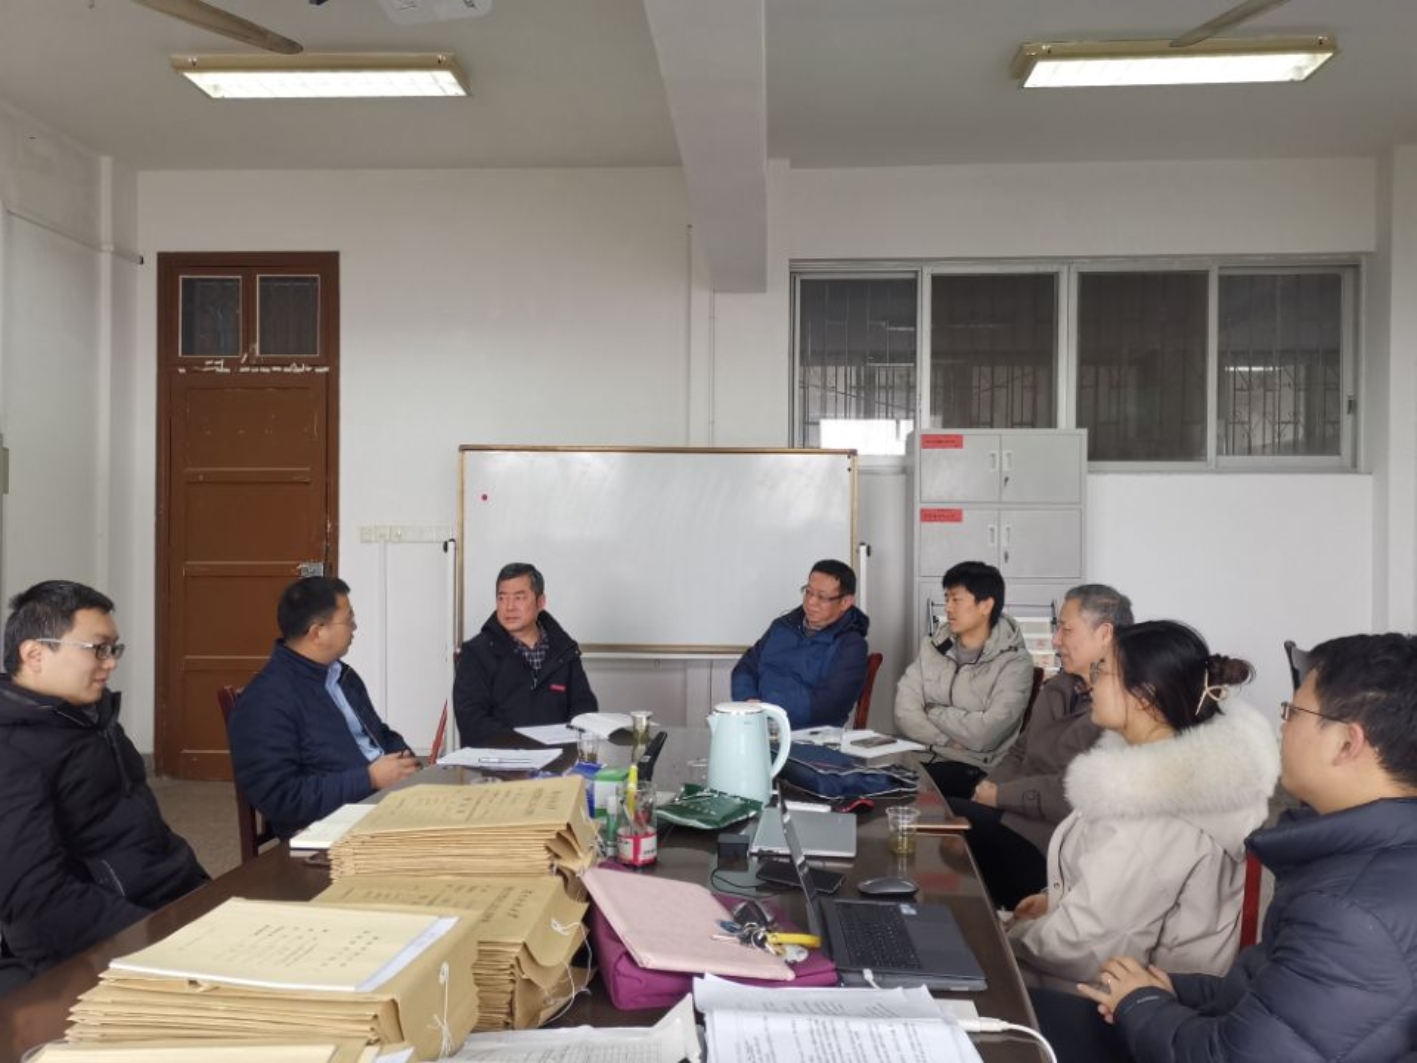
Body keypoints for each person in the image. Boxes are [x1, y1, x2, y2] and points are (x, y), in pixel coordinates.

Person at [1039, 633, 1417, 1063]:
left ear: (1347, 743)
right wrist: (1172, 989)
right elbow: (1269, 993)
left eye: (1293, 712)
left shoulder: (1351, 912)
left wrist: (1139, 1001)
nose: (1282, 725)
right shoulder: (1359, 865)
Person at [1007, 620, 1279, 992]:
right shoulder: (1172, 774)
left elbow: (1085, 947)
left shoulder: (1152, 808)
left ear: (1144, 697)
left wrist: (1007, 933)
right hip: (1148, 987)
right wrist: (1056, 901)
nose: (1090, 683)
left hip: (1135, 1005)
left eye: (1102, 670)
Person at [0, 580, 208, 992]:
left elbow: (147, 833)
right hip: (99, 943)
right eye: (97, 649)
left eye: (113, 649)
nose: (110, 663)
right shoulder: (13, 751)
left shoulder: (92, 719)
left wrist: (204, 894)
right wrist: (162, 937)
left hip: (165, 904)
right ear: (34, 654)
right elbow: (37, 901)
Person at [951, 583, 1131, 908]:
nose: (1056, 640)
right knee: (944, 813)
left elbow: (1074, 791)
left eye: (1066, 629)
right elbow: (1020, 750)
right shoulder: (1059, 687)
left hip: (1048, 841)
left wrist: (1000, 795)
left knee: (947, 819)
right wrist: (987, 789)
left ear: (1104, 633)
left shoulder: (1122, 708)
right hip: (1010, 814)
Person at [230, 576, 417, 839]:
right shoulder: (265, 700)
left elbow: (378, 733)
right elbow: (280, 796)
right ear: (317, 632)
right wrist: (370, 779)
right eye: (349, 619)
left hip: (383, 800)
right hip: (333, 824)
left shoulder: (342, 675)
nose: (355, 627)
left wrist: (406, 762)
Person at [894, 560, 1035, 798]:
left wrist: (932, 711)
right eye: (946, 599)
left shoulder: (1015, 663)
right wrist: (946, 740)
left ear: (986, 605)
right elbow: (903, 711)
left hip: (973, 768)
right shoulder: (934, 646)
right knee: (869, 780)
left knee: (901, 794)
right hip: (922, 755)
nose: (948, 608)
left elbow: (985, 734)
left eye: (956, 600)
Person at [454, 562, 598, 745]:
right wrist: (524, 744)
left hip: (559, 756)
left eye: (519, 598)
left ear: (540, 602)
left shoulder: (564, 651)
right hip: (498, 759)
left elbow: (584, 708)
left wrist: (567, 743)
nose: (509, 607)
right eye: (502, 598)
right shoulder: (476, 653)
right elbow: (471, 721)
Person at [730, 559, 870, 728]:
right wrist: (749, 700)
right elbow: (746, 667)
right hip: (756, 722)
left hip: (806, 736)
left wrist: (768, 710)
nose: (811, 602)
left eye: (822, 597)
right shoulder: (782, 627)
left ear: (845, 602)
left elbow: (831, 704)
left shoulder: (851, 645)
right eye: (808, 592)